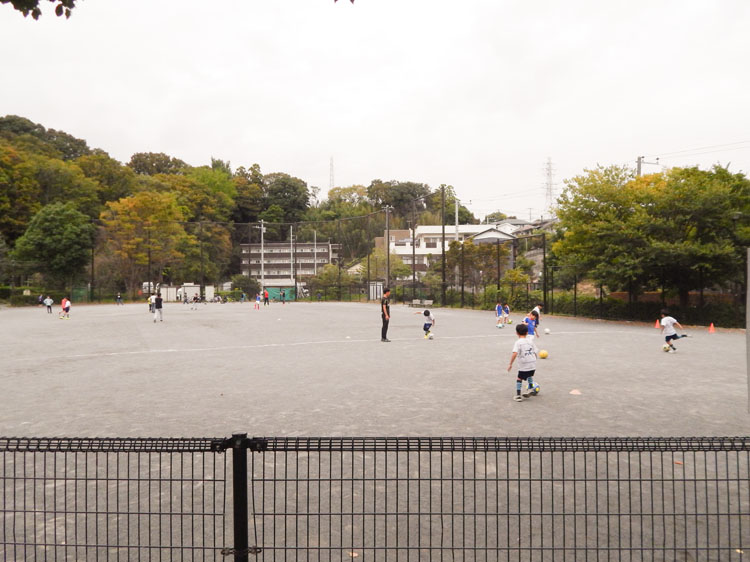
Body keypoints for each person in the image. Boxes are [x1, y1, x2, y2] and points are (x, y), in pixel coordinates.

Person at [507, 323, 538, 402]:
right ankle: (531, 388)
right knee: (529, 375)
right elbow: (535, 352)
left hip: (524, 364)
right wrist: (534, 360)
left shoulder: (518, 342)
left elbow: (515, 353)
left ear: (517, 333)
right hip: (532, 363)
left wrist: (510, 364)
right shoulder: (530, 341)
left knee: (519, 378)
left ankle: (518, 395)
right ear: (527, 332)